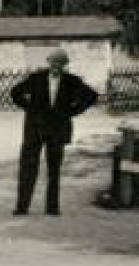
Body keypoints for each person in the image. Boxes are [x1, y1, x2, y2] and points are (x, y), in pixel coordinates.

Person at [9, 47, 99, 216]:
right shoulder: (36, 78)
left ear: (65, 65)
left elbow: (92, 96)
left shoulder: (72, 81)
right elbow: (15, 93)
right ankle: (22, 207)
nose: (56, 65)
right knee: (28, 167)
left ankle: (52, 208)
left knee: (54, 169)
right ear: (48, 62)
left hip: (58, 130)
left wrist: (73, 111)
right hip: (34, 129)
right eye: (53, 62)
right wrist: (30, 108)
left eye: (60, 63)